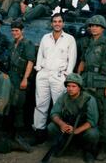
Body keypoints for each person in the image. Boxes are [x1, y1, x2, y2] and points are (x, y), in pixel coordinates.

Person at [32, 13, 77, 144]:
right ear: (51, 23)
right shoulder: (45, 38)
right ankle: (39, 133)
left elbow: (72, 58)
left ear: (63, 23)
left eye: (60, 21)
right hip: (44, 74)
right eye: (55, 21)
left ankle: (59, 134)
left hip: (59, 76)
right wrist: (39, 69)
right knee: (40, 104)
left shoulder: (69, 39)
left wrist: (66, 75)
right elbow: (40, 54)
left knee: (59, 104)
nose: (57, 23)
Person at [77, 15, 106, 159]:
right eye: (92, 25)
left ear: (102, 28)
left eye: (97, 26)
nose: (93, 28)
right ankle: (88, 144)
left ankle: (102, 146)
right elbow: (82, 62)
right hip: (86, 82)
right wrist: (76, 78)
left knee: (103, 116)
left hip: (100, 84)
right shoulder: (87, 43)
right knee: (86, 113)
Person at [47, 73, 99, 163]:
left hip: (82, 129)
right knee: (51, 127)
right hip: (67, 128)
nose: (70, 89)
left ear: (79, 87)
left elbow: (92, 121)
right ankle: (62, 144)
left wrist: (76, 130)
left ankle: (88, 151)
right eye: (68, 86)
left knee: (93, 133)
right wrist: (62, 124)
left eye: (74, 86)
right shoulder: (63, 97)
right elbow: (54, 113)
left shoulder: (89, 99)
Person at [8, 20, 35, 132]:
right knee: (11, 103)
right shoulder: (13, 43)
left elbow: (30, 62)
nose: (14, 33)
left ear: (22, 31)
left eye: (17, 30)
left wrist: (25, 79)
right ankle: (11, 130)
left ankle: (19, 132)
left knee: (19, 104)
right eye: (13, 31)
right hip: (11, 76)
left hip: (20, 77)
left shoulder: (27, 43)